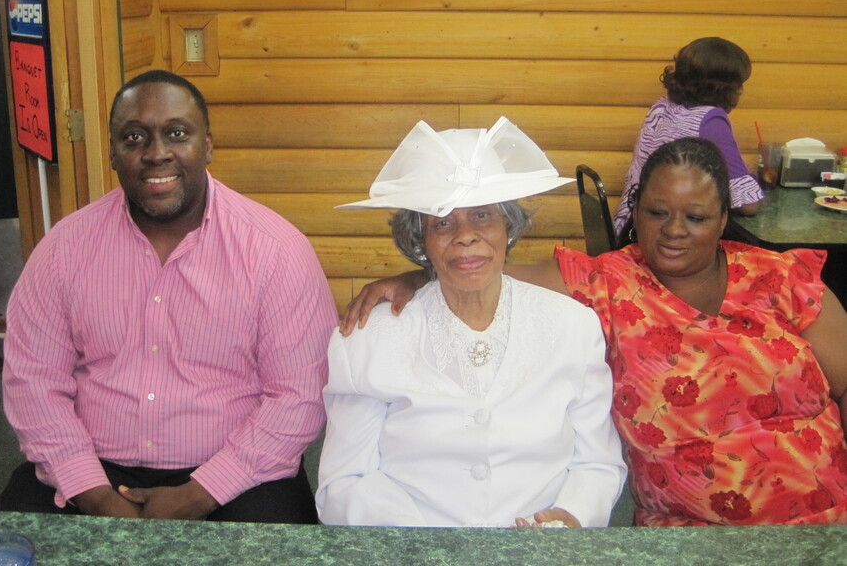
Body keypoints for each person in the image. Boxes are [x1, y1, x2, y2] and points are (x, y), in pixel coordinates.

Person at [343, 137, 847, 526]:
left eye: (695, 217)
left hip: (824, 520)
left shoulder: (781, 278)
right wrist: (420, 272)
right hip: (687, 531)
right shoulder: (608, 282)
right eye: (656, 213)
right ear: (633, 211)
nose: (673, 230)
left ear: (722, 219)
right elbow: (482, 261)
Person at [0, 70, 338, 522]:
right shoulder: (63, 250)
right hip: (92, 467)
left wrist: (203, 493)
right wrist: (91, 490)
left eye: (176, 133)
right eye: (134, 137)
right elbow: (33, 384)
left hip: (239, 473)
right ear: (114, 153)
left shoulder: (275, 251)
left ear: (207, 146)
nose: (157, 154)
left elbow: (298, 396)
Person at [316, 117, 627, 528]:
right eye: (442, 222)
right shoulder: (367, 340)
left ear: (508, 228)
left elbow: (598, 464)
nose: (465, 236)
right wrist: (433, 549)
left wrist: (571, 517)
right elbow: (343, 484)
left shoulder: (573, 327)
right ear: (420, 241)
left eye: (483, 216)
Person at [613, 36, 764, 240]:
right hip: (670, 240)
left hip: (631, 228)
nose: (740, 92)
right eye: (739, 85)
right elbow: (749, 205)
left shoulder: (661, 106)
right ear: (724, 87)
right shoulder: (710, 122)